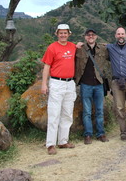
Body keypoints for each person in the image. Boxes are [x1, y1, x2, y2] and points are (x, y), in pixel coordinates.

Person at [41, 23, 77, 155]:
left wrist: (80, 44)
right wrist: (44, 84)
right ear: (57, 34)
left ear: (69, 34)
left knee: (67, 113)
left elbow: (79, 49)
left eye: (65, 33)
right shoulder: (52, 48)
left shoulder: (72, 46)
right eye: (60, 33)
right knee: (54, 113)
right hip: (57, 83)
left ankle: (63, 141)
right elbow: (46, 66)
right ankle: (50, 144)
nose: (63, 35)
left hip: (70, 83)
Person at [75, 28, 110, 145]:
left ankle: (101, 133)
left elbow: (114, 54)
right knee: (87, 112)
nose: (90, 36)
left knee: (100, 110)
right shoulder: (79, 49)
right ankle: (88, 134)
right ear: (85, 37)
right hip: (85, 84)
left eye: (93, 35)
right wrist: (76, 46)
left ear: (96, 36)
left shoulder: (103, 49)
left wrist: (110, 45)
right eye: (88, 35)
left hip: (99, 84)